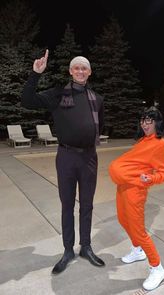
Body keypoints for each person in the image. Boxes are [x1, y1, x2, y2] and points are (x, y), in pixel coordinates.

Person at [21, 49, 105, 274]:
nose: (80, 70)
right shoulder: (58, 94)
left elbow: (99, 125)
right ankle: (68, 250)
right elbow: (27, 101)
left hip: (89, 158)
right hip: (67, 157)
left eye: (84, 67)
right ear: (70, 71)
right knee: (67, 205)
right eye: (76, 67)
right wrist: (35, 74)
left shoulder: (97, 99)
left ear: (89, 72)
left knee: (87, 205)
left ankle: (85, 247)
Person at [109, 106, 164, 291]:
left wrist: (151, 178)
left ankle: (157, 267)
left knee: (138, 230)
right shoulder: (144, 140)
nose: (145, 124)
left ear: (157, 123)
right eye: (143, 120)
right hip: (123, 186)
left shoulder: (160, 144)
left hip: (135, 190)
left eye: (149, 121)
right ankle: (137, 251)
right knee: (122, 220)